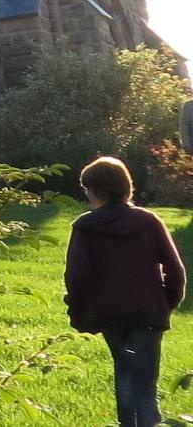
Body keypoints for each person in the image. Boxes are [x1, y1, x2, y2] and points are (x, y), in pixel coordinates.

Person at [66, 155, 186, 427]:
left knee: (125, 372)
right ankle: (148, 422)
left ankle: (129, 423)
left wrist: (78, 312)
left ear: (94, 191)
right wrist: (166, 303)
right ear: (126, 186)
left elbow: (77, 276)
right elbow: (175, 269)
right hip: (147, 312)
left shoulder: (85, 226)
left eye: (86, 189)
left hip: (109, 312)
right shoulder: (149, 221)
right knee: (145, 380)